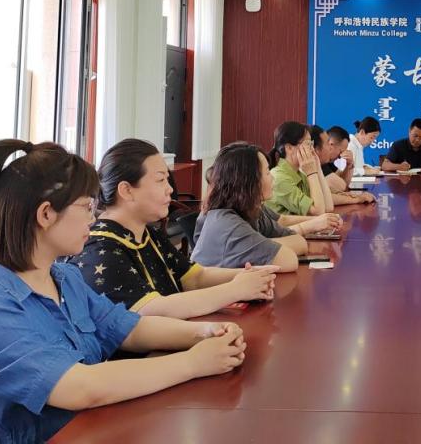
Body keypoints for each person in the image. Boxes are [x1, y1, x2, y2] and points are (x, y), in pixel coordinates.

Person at [0, 140, 248, 443]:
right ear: (46, 214)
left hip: (94, 427)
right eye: (86, 207)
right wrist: (193, 363)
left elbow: (128, 329)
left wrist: (205, 333)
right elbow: (81, 388)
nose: (93, 217)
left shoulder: (64, 278)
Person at [71, 138, 276, 317]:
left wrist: (251, 276)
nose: (170, 189)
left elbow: (195, 277)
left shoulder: (148, 234)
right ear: (126, 190)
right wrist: (235, 290)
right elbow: (153, 309)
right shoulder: (100, 249)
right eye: (160, 180)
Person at [192, 142, 344, 271]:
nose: (272, 178)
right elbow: (288, 260)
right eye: (266, 173)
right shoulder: (227, 224)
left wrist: (261, 242)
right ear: (248, 181)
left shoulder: (251, 209)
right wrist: (263, 243)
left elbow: (299, 241)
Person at [266, 121, 373, 215]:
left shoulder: (299, 174)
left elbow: (328, 206)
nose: (311, 148)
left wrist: (316, 166)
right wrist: (312, 172)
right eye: (308, 143)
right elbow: (318, 211)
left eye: (311, 143)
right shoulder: (280, 178)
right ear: (289, 148)